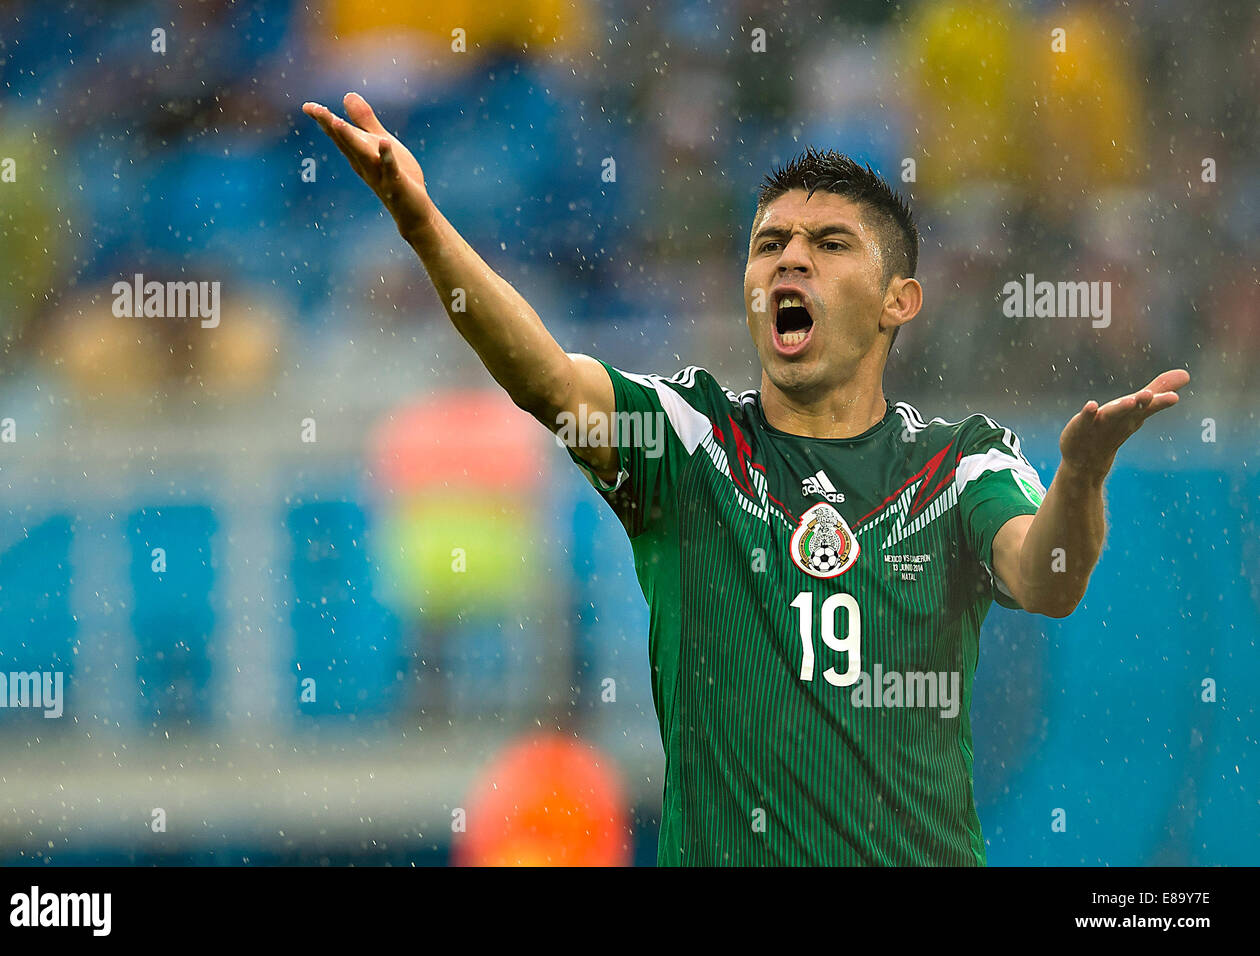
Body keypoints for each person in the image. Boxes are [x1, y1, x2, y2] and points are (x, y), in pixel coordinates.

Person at [303, 92, 1189, 866]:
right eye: (770, 244)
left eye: (830, 243)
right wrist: (422, 224)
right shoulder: (690, 445)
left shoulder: (961, 465)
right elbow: (547, 379)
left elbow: (1052, 580)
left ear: (899, 301)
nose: (790, 259)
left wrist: (1080, 475)